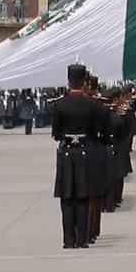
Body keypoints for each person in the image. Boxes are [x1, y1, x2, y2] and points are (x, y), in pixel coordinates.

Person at [52, 64, 106, 249]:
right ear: (84, 83)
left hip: (67, 154)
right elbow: (102, 128)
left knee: (67, 198)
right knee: (83, 196)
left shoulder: (59, 104)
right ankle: (82, 239)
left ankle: (68, 240)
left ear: (68, 81)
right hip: (85, 153)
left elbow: (56, 133)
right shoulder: (93, 104)